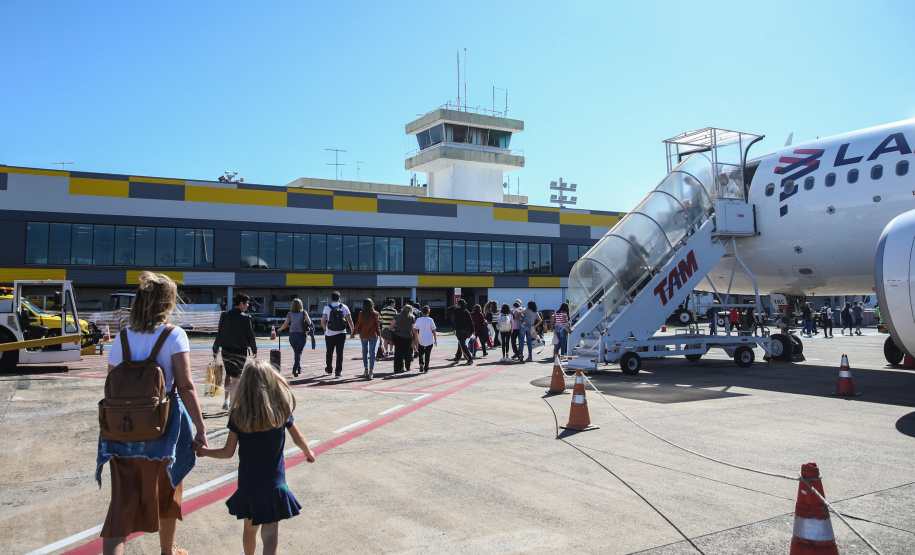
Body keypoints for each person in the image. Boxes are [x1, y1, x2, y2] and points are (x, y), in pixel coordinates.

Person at [98, 271, 207, 555]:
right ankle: (167, 551)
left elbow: (112, 383)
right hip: (163, 425)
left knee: (121, 501)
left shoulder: (121, 339)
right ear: (167, 303)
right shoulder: (174, 335)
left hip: (122, 427)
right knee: (168, 489)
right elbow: (184, 385)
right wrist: (201, 426)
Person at [194, 359, 316, 555]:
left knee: (249, 530)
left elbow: (227, 452)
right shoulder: (281, 411)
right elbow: (298, 438)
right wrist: (308, 452)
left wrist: (204, 451)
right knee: (270, 534)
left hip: (249, 485)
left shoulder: (238, 415)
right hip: (274, 485)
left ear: (244, 385)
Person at [214, 293, 258, 411]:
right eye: (247, 303)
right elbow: (250, 334)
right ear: (241, 303)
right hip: (240, 351)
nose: (248, 306)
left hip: (226, 350)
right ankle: (233, 406)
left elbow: (219, 332)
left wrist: (215, 348)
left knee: (228, 375)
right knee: (236, 378)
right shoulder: (245, 317)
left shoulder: (225, 315)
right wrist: (254, 349)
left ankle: (226, 400)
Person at [321, 292, 354, 378]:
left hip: (329, 333)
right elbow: (350, 320)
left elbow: (323, 321)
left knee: (329, 352)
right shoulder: (344, 307)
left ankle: (329, 369)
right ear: (339, 298)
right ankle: (338, 372)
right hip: (341, 333)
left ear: (331, 298)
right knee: (339, 352)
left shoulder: (327, 308)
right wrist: (353, 331)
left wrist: (325, 330)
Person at [277, 298, 312, 377]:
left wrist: (280, 329)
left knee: (296, 352)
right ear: (301, 305)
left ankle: (299, 368)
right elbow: (309, 323)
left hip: (292, 335)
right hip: (301, 334)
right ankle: (294, 368)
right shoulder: (304, 313)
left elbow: (285, 324)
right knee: (298, 353)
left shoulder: (289, 314)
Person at [351, 298, 380, 379]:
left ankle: (366, 369)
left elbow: (358, 324)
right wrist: (380, 335)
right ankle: (371, 371)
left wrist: (353, 333)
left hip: (363, 335)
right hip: (373, 335)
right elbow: (377, 326)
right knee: (372, 353)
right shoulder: (376, 314)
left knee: (364, 352)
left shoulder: (361, 314)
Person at [390, 305, 416, 373]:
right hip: (408, 336)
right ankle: (407, 367)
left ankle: (398, 368)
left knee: (398, 353)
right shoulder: (411, 318)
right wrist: (415, 337)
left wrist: (396, 327)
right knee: (407, 352)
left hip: (398, 336)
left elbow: (392, 324)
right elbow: (413, 328)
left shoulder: (397, 316)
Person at [413, 305, 437, 373]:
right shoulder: (430, 320)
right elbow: (433, 330)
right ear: (428, 313)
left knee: (421, 353)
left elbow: (415, 329)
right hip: (429, 339)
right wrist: (435, 338)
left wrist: (416, 337)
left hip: (421, 338)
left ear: (421, 313)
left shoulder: (418, 320)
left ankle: (421, 363)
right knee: (427, 354)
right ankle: (426, 368)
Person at [451, 298, 475, 365]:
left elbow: (449, 309)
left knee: (462, 345)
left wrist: (455, 306)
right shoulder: (466, 312)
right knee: (460, 344)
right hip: (466, 331)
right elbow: (471, 322)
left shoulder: (456, 311)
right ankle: (457, 357)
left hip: (459, 330)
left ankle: (469, 358)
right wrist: (473, 330)